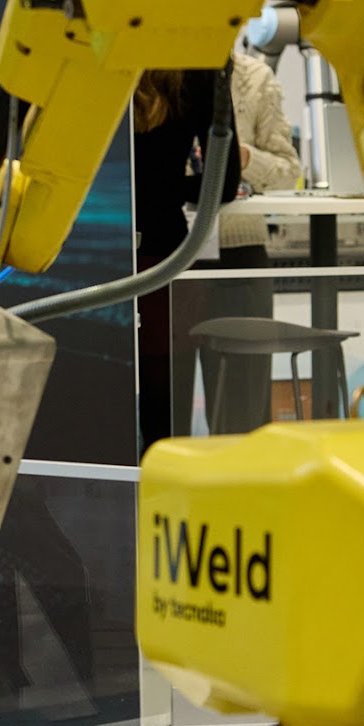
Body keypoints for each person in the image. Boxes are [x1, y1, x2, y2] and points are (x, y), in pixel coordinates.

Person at [132, 68, 241, 452]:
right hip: (165, 256)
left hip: (93, 249)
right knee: (165, 417)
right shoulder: (199, 69)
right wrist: (167, 187)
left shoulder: (92, 55)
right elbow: (223, 183)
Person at [192, 48, 300, 433]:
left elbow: (288, 172)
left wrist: (243, 157)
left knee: (242, 411)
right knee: (164, 401)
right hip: (168, 251)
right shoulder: (153, 74)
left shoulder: (255, 78)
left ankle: (244, 472)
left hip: (239, 254)